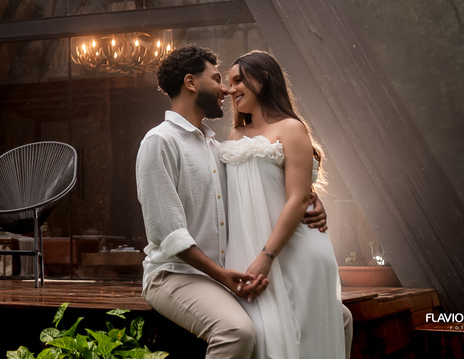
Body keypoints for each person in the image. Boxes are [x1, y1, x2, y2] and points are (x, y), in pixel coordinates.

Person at [135, 45, 351, 359]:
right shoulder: (160, 141)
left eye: (235, 80)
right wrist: (224, 275)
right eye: (219, 78)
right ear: (191, 83)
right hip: (176, 273)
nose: (226, 88)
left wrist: (310, 199)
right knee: (237, 332)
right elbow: (167, 234)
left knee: (339, 317)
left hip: (223, 272)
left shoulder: (216, 145)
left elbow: (260, 182)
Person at [220, 50, 349, 359]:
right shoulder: (235, 134)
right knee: (266, 339)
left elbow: (298, 197)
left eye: (238, 80)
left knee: (307, 343)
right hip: (247, 252)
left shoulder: (291, 128)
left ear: (263, 79)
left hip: (294, 254)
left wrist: (266, 256)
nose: (231, 89)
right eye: (228, 83)